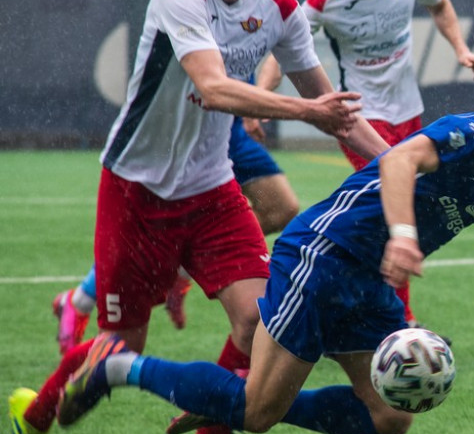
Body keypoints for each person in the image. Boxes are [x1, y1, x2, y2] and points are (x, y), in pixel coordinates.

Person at [57, 59, 474, 434]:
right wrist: (406, 236)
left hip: (368, 285)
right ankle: (119, 367)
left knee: (390, 415)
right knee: (257, 414)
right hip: (323, 256)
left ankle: (234, 395)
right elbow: (401, 158)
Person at [8, 0, 389, 434]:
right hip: (135, 191)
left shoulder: (278, 6)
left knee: (259, 323)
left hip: (212, 192)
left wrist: (403, 169)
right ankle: (36, 417)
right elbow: (214, 88)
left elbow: (339, 111)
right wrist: (307, 112)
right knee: (121, 351)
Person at [257, 0, 474, 329]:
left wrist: (461, 48)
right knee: (391, 208)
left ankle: (346, 297)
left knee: (398, 211)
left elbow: (440, 5)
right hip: (361, 119)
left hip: (409, 113)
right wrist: (259, 98)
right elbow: (284, 44)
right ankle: (398, 319)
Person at [50, 79, 302, 354]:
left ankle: (181, 272)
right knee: (155, 241)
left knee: (281, 207)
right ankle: (81, 300)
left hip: (232, 124)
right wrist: (277, 104)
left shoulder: (273, 35)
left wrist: (256, 99)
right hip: (197, 123)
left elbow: (277, 58)